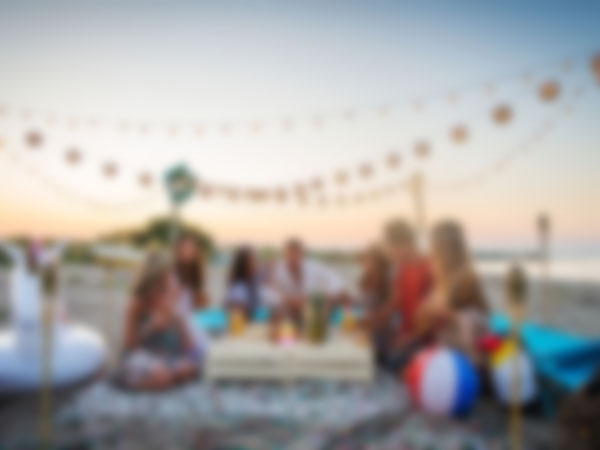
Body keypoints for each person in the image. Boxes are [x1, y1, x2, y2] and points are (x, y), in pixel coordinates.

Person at [120, 253, 198, 390]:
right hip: (142, 358)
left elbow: (189, 346)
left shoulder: (172, 303)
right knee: (158, 373)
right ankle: (143, 382)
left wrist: (179, 322)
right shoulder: (138, 304)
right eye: (162, 284)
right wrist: (150, 328)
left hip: (166, 358)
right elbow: (129, 345)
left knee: (188, 368)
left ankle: (165, 378)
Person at [417, 220, 488, 365]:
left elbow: (480, 323)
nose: (431, 252)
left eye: (435, 246)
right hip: (446, 355)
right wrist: (425, 316)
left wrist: (449, 315)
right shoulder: (440, 282)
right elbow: (423, 326)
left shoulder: (466, 279)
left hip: (465, 361)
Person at [271, 238, 346, 322]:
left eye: (296, 255)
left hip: (314, 311)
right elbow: (273, 294)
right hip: (289, 312)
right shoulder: (279, 270)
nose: (292, 258)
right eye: (289, 255)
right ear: (285, 255)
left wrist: (320, 299)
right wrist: (291, 301)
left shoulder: (315, 267)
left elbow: (337, 284)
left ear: (302, 254)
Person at [357, 245, 392, 365]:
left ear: (380, 263)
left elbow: (388, 315)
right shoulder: (364, 280)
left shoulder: (387, 283)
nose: (366, 264)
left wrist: (367, 320)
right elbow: (360, 306)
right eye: (365, 261)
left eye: (370, 261)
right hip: (363, 331)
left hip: (379, 336)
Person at [224, 245, 279, 319]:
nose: (256, 264)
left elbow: (267, 273)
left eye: (256, 261)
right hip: (242, 323)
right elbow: (238, 314)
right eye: (253, 262)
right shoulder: (238, 289)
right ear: (244, 266)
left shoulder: (252, 280)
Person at [174, 234, 208, 313]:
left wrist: (202, 302)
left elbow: (199, 306)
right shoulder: (171, 275)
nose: (188, 252)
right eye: (186, 248)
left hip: (190, 317)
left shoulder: (197, 275)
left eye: (191, 249)